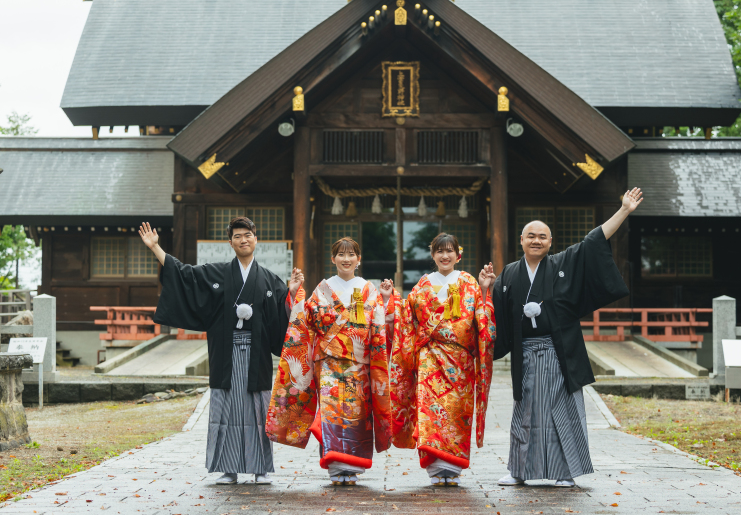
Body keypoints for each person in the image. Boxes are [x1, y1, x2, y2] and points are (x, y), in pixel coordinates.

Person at [493, 188, 643, 487]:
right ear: (521, 240)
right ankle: (519, 470)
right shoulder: (509, 274)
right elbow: (494, 314)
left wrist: (624, 210)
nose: (536, 240)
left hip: (558, 351)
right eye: (531, 236)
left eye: (543, 237)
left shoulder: (563, 263)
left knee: (563, 409)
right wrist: (486, 287)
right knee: (525, 412)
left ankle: (565, 472)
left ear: (550, 242)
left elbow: (593, 241)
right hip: (525, 353)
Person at [139, 218, 303, 485]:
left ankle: (260, 467)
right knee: (226, 409)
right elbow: (183, 274)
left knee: (257, 411)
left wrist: (291, 293)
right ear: (230, 243)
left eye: (248, 235)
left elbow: (281, 317)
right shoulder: (215, 273)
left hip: (256, 357)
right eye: (237, 236)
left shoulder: (270, 279)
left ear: (255, 239)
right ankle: (229, 469)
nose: (243, 240)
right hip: (225, 355)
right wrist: (156, 248)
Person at [266, 237, 391, 486]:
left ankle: (353, 466)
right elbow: (305, 321)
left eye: (351, 255)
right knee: (332, 414)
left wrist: (386, 301)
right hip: (329, 364)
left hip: (359, 364)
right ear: (333, 259)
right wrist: (294, 294)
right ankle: (335, 466)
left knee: (357, 415)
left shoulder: (368, 289)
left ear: (359, 259)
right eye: (341, 255)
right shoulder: (322, 289)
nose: (346, 259)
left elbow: (377, 324)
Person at [386, 232, 496, 486]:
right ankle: (435, 467)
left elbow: (482, 317)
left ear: (459, 254)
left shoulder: (469, 282)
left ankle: (453, 467)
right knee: (429, 413)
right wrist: (389, 301)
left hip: (460, 361)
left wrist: (484, 288)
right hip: (429, 358)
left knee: (457, 413)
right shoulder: (423, 285)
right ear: (433, 255)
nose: (445, 256)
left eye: (449, 251)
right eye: (439, 251)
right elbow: (406, 316)